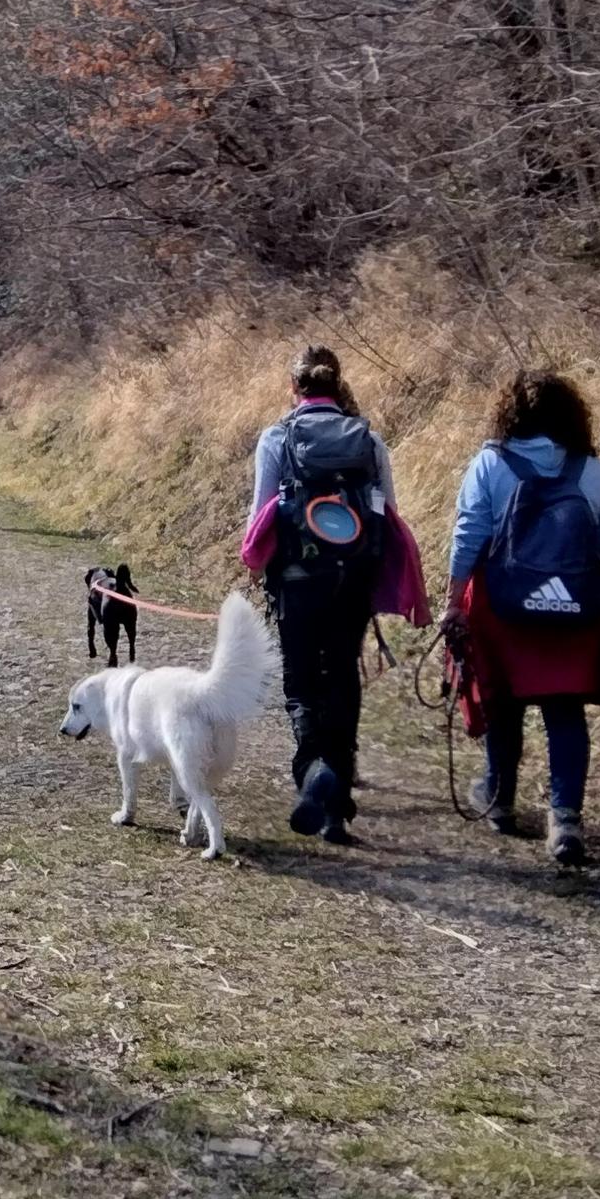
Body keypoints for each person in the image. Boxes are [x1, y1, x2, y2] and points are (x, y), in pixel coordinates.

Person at [443, 368, 600, 869]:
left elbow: (469, 537)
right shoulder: (593, 472)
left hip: (501, 607)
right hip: (572, 611)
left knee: (504, 703)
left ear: (510, 415)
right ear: (572, 417)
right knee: (564, 713)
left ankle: (499, 799)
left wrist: (454, 600)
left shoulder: (489, 464)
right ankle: (564, 819)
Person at [242, 344, 403, 845]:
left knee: (301, 681)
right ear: (338, 385)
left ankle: (314, 769)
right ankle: (336, 806)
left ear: (294, 389)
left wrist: (254, 563)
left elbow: (262, 511)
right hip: (352, 577)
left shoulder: (277, 438)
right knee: (342, 678)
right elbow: (387, 512)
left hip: (296, 578)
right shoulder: (369, 440)